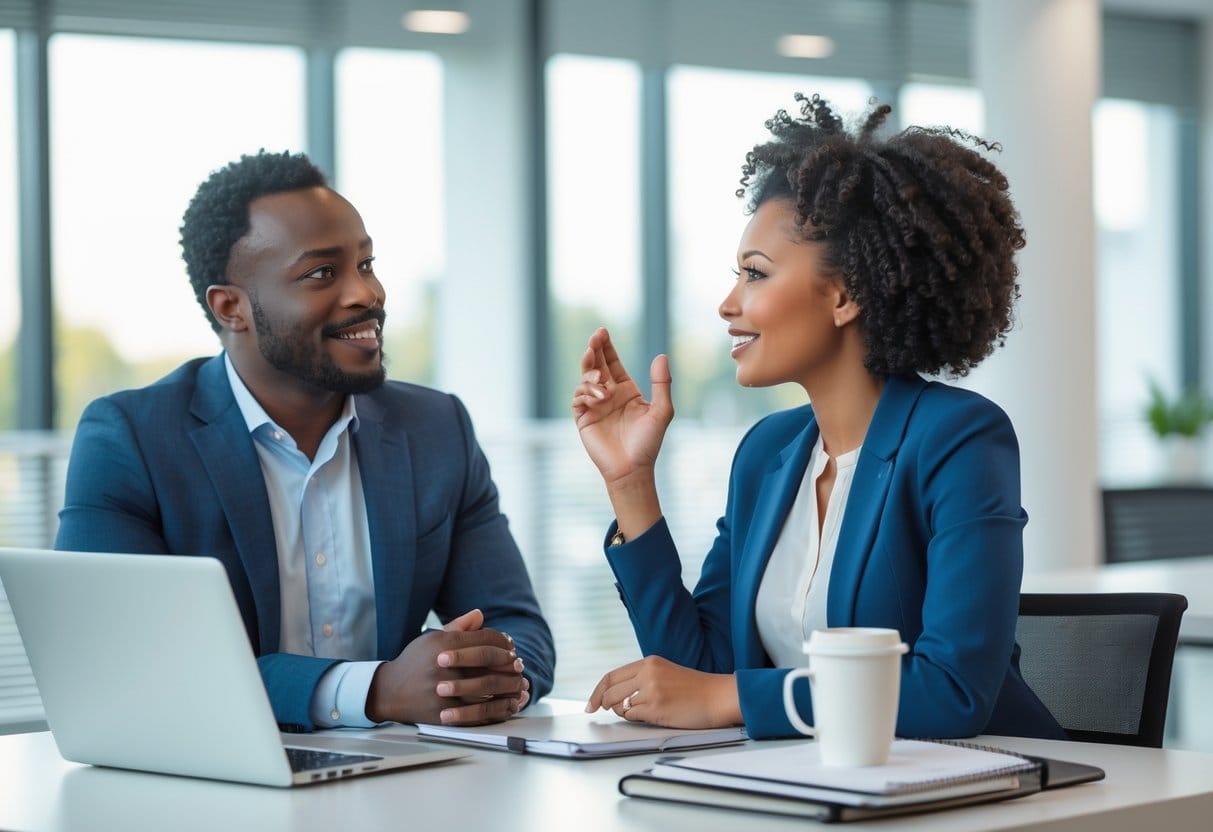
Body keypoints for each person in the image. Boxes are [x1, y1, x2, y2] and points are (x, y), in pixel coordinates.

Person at [573, 94, 1064, 741]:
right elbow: (702, 671)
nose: (727, 304)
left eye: (754, 274)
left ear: (843, 295)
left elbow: (951, 690)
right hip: (816, 782)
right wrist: (630, 482)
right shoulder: (766, 454)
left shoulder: (958, 439)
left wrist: (731, 696)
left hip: (979, 781)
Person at [55, 150, 554, 732]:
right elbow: (120, 666)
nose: (366, 293)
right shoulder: (130, 441)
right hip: (212, 774)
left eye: (366, 264)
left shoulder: (437, 429)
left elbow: (520, 630)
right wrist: (375, 690)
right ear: (231, 307)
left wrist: (467, 676)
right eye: (322, 273)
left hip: (407, 774)